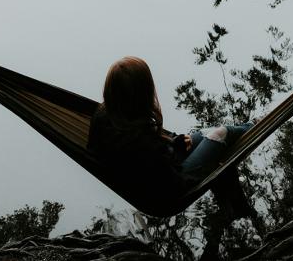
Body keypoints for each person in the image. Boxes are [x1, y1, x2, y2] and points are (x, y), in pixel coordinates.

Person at [87, 56, 254, 219]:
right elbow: (173, 184)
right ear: (141, 94)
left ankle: (236, 210)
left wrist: (174, 145)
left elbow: (149, 157)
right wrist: (210, 170)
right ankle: (254, 125)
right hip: (168, 190)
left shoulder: (106, 115)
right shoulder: (141, 144)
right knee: (221, 134)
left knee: (206, 135)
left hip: (152, 171)